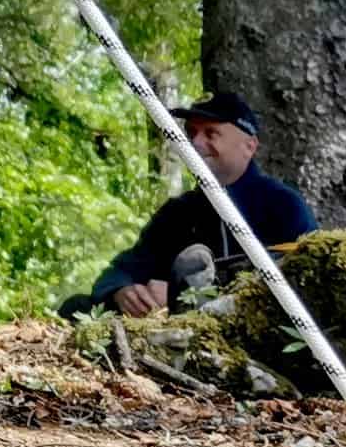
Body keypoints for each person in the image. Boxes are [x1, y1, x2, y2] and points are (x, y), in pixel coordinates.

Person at [76, 90, 316, 318]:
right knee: (77, 306)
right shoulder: (177, 214)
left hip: (253, 328)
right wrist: (121, 291)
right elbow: (119, 272)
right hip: (175, 334)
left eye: (211, 133)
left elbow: (310, 275)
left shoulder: (283, 205)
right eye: (191, 133)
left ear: (249, 146)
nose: (195, 143)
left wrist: (178, 293)